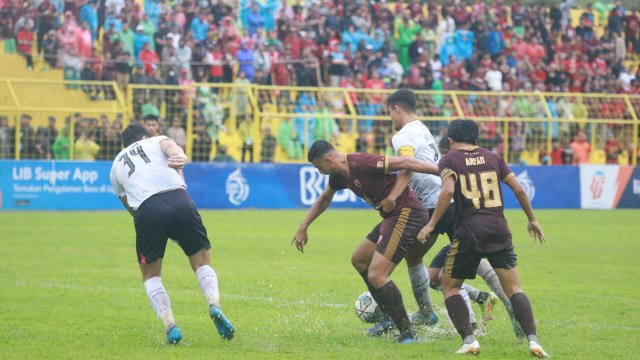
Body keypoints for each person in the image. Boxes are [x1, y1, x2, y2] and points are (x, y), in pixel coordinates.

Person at [417, 119, 549, 357]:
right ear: (476, 138)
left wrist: (431, 224)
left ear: (450, 140)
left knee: (450, 287)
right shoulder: (494, 158)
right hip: (499, 229)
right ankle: (533, 340)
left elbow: (447, 191)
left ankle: (469, 341)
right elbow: (519, 189)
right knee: (515, 288)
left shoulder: (449, 160)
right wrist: (532, 219)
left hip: (468, 233)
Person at [292, 140, 440, 344]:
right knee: (360, 259)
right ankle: (389, 319)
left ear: (328, 160)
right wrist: (303, 226)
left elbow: (407, 162)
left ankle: (407, 333)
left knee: (377, 274)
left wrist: (442, 171)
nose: (319, 172)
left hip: (408, 212)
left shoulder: (361, 162)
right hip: (391, 217)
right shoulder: (338, 175)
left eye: (318, 167)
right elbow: (324, 199)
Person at [109, 124, 235, 344]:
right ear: (144, 136)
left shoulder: (116, 164)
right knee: (201, 260)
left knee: (151, 275)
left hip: (147, 209)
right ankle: (214, 304)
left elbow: (126, 202)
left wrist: (147, 221)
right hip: (180, 198)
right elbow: (172, 148)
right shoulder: (156, 140)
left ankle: (171, 326)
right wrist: (179, 155)